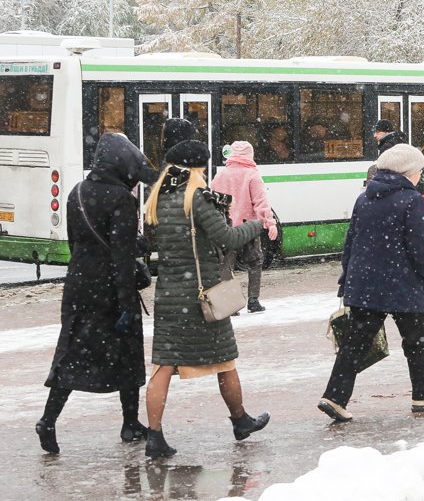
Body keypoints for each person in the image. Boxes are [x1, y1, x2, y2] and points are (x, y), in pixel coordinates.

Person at [142, 119, 270, 459]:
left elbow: (155, 242)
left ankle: (154, 437)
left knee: (163, 366)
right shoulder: (196, 198)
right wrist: (256, 224)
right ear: (197, 167)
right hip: (202, 295)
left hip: (169, 294)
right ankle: (240, 420)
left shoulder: (157, 197)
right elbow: (227, 238)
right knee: (225, 360)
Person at [35, 133, 157, 455]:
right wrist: (127, 304)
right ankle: (130, 423)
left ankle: (48, 419)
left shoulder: (76, 192)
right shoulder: (121, 199)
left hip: (78, 286)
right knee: (128, 353)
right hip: (110, 291)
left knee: (71, 355)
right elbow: (121, 256)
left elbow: (76, 242)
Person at [318, 144, 424, 422]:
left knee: (354, 343)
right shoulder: (412, 200)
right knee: (416, 342)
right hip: (402, 283)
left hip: (365, 283)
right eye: (420, 170)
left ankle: (334, 397)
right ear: (409, 172)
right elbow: (418, 247)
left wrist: (347, 278)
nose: (421, 175)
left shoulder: (364, 198)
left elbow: (351, 243)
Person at [212, 140, 278, 313]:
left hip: (226, 228)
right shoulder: (252, 175)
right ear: (250, 155)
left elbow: (212, 202)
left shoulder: (220, 175)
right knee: (255, 262)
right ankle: (253, 301)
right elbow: (261, 203)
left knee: (226, 266)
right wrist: (270, 223)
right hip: (248, 227)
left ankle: (232, 305)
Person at [366, 119, 407, 184]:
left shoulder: (388, 146)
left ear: (386, 132)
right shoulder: (397, 141)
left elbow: (384, 170)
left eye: (378, 132)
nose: (375, 135)